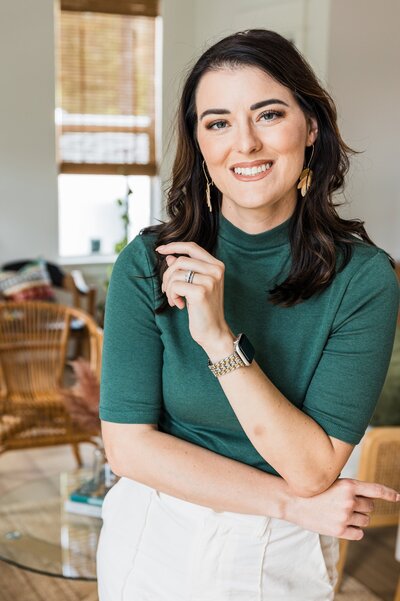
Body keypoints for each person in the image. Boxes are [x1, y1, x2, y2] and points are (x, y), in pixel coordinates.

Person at [97, 29, 399, 601]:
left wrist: (217, 339)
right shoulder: (146, 262)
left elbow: (313, 469)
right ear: (198, 141)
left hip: (280, 554)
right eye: (218, 123)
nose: (246, 145)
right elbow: (128, 447)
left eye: (268, 115)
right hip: (155, 534)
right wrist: (286, 500)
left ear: (311, 128)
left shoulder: (364, 280)